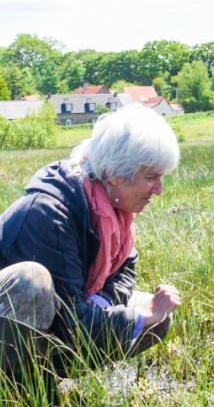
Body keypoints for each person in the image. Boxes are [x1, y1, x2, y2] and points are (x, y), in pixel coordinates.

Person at [0, 103, 181, 378]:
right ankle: (19, 397)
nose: (159, 190)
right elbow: (69, 323)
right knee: (30, 280)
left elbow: (123, 271)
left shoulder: (112, 212)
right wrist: (139, 318)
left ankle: (40, 380)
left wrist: (104, 303)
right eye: (151, 177)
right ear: (115, 174)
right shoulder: (48, 214)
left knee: (154, 320)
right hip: (40, 324)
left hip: (66, 321)